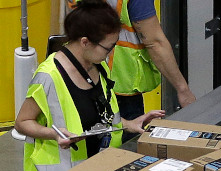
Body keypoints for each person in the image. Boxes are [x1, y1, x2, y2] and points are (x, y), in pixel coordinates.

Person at [14, 0, 165, 171]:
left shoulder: (99, 67)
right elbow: (22, 122)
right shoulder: (49, 76)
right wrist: (54, 134)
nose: (110, 53)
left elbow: (101, 119)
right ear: (85, 42)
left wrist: (129, 124)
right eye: (107, 47)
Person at [69, 0, 195, 143]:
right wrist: (183, 89)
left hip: (80, 77)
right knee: (124, 154)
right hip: (120, 87)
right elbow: (155, 43)